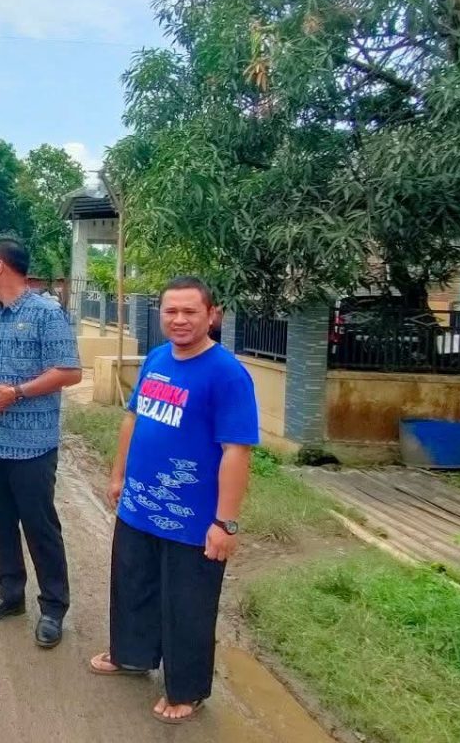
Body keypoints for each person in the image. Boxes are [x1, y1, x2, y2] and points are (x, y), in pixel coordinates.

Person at [87, 276, 259, 725]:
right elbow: (134, 419)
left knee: (188, 606)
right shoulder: (158, 359)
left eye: (190, 312)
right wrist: (118, 475)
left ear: (212, 315)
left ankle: (186, 689)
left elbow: (236, 452)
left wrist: (225, 523)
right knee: (133, 586)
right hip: (140, 506)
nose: (179, 320)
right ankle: (131, 655)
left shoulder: (227, 374)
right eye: (171, 311)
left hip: (192, 520)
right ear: (160, 314)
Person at [0, 237, 83, 648]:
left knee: (39, 526)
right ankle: (9, 593)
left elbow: (70, 372)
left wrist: (14, 393)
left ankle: (53, 607)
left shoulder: (46, 314)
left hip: (33, 445)